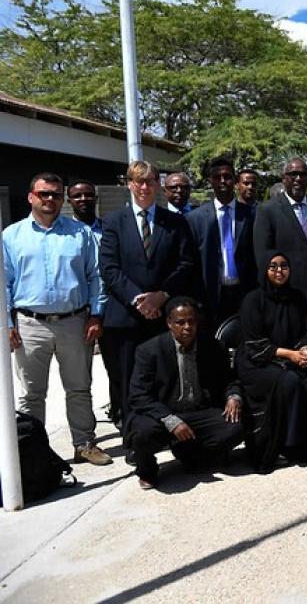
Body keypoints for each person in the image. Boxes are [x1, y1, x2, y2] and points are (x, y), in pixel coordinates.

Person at [5, 172, 111, 465]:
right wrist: (8, 324)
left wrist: (96, 315)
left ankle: (85, 444)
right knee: (31, 394)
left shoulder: (80, 234)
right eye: (44, 194)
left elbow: (96, 277)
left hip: (74, 322)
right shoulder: (11, 236)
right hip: (30, 324)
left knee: (79, 388)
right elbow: (4, 283)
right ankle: (32, 451)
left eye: (55, 194)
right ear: (31, 197)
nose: (50, 199)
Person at [100, 160, 197, 450]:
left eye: (150, 181)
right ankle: (136, 443)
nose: (144, 187)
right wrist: (139, 299)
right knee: (130, 382)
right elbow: (109, 268)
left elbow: (187, 264)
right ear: (128, 184)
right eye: (138, 181)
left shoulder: (176, 222)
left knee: (165, 378)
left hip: (163, 316)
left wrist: (162, 296)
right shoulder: (114, 221)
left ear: (158, 185)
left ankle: (169, 436)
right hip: (127, 318)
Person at [127, 297, 244, 489]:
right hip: (163, 413)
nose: (187, 327)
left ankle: (192, 454)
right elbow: (139, 395)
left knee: (236, 425)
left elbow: (229, 380)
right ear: (169, 323)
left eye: (191, 321)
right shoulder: (149, 351)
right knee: (142, 432)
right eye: (180, 322)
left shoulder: (212, 346)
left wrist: (233, 397)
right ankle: (147, 470)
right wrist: (171, 421)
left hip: (198, 412)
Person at [237, 251, 307, 470]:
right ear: (264, 270)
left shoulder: (297, 297)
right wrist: (291, 355)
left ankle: (303, 446)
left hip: (290, 357)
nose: (279, 271)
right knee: (289, 382)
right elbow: (254, 345)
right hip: (258, 362)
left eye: (284, 266)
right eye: (273, 266)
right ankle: (282, 445)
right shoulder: (253, 300)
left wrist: (305, 349)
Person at [253, 157, 307, 306]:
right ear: (284, 178)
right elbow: (263, 257)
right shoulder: (268, 210)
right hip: (286, 293)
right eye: (293, 174)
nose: (298, 178)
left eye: (303, 174)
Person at [187, 158, 257, 328]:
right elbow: (192, 262)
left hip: (244, 294)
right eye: (217, 177)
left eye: (227, 176)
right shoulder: (195, 219)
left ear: (235, 180)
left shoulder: (253, 215)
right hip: (210, 297)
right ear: (210, 180)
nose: (222, 181)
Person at [68, 179, 112, 423]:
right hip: (80, 312)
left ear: (96, 198)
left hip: (110, 309)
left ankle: (120, 413)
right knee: (80, 377)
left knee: (115, 368)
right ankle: (85, 429)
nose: (83, 199)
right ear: (69, 200)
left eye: (88, 195)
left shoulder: (110, 228)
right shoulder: (66, 233)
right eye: (77, 196)